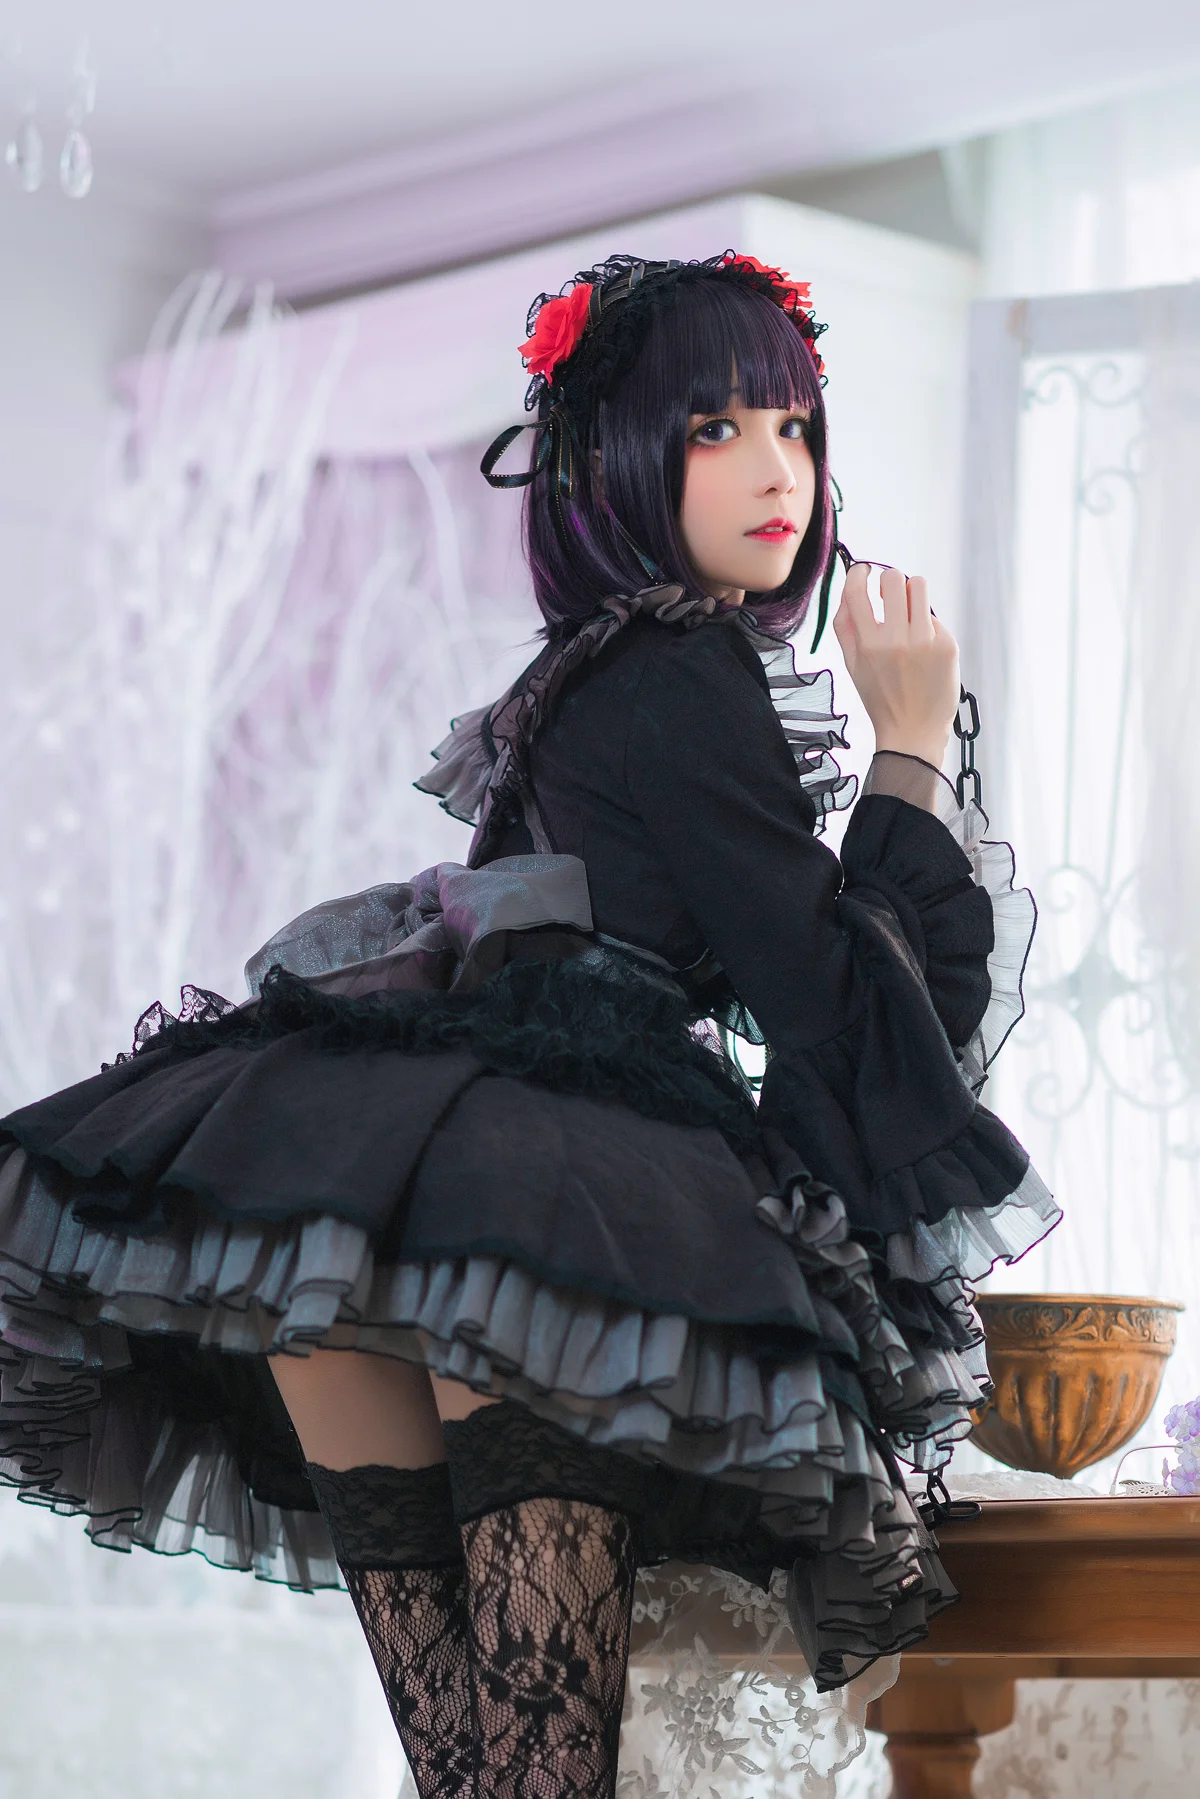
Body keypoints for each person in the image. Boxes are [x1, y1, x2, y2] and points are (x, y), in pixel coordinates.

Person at [0, 251, 1057, 1799]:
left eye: (795, 425)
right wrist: (907, 750)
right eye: (716, 428)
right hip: (544, 1203)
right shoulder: (688, 658)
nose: (778, 469)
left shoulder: (583, 669)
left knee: (481, 1781)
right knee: (536, 1778)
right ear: (618, 457)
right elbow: (840, 1010)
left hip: (374, 1209)